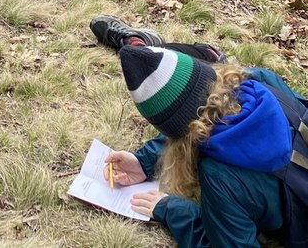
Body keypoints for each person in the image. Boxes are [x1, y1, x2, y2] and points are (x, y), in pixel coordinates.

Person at [88, 16, 294, 248]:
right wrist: (143, 162)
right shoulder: (263, 82)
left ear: (180, 138)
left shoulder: (219, 177)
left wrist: (173, 210)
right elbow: (204, 122)